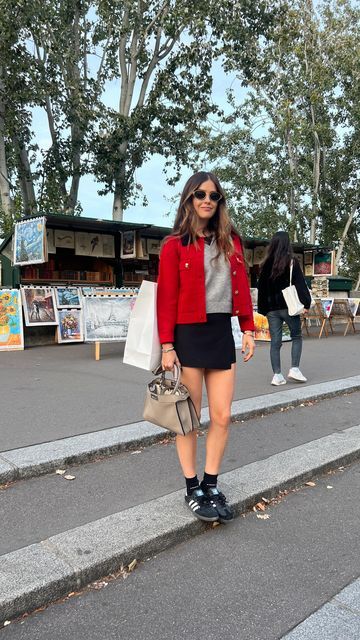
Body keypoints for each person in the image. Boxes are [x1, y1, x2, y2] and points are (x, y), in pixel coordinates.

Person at [157, 171, 255, 524]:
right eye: (200, 194)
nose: (207, 201)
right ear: (189, 199)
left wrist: (247, 327)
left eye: (214, 196)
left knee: (224, 416)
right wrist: (167, 345)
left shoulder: (232, 241)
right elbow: (165, 299)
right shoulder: (174, 245)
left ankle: (211, 483)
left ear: (220, 202)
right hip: (187, 335)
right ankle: (191, 487)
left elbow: (241, 285)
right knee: (188, 420)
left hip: (218, 334)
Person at [257, 231, 311, 386]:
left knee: (275, 342)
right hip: (289, 307)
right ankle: (294, 369)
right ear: (287, 244)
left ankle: (277, 375)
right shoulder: (292, 261)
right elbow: (300, 284)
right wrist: (306, 304)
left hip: (271, 309)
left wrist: (263, 310)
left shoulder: (265, 264)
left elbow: (262, 288)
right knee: (296, 336)